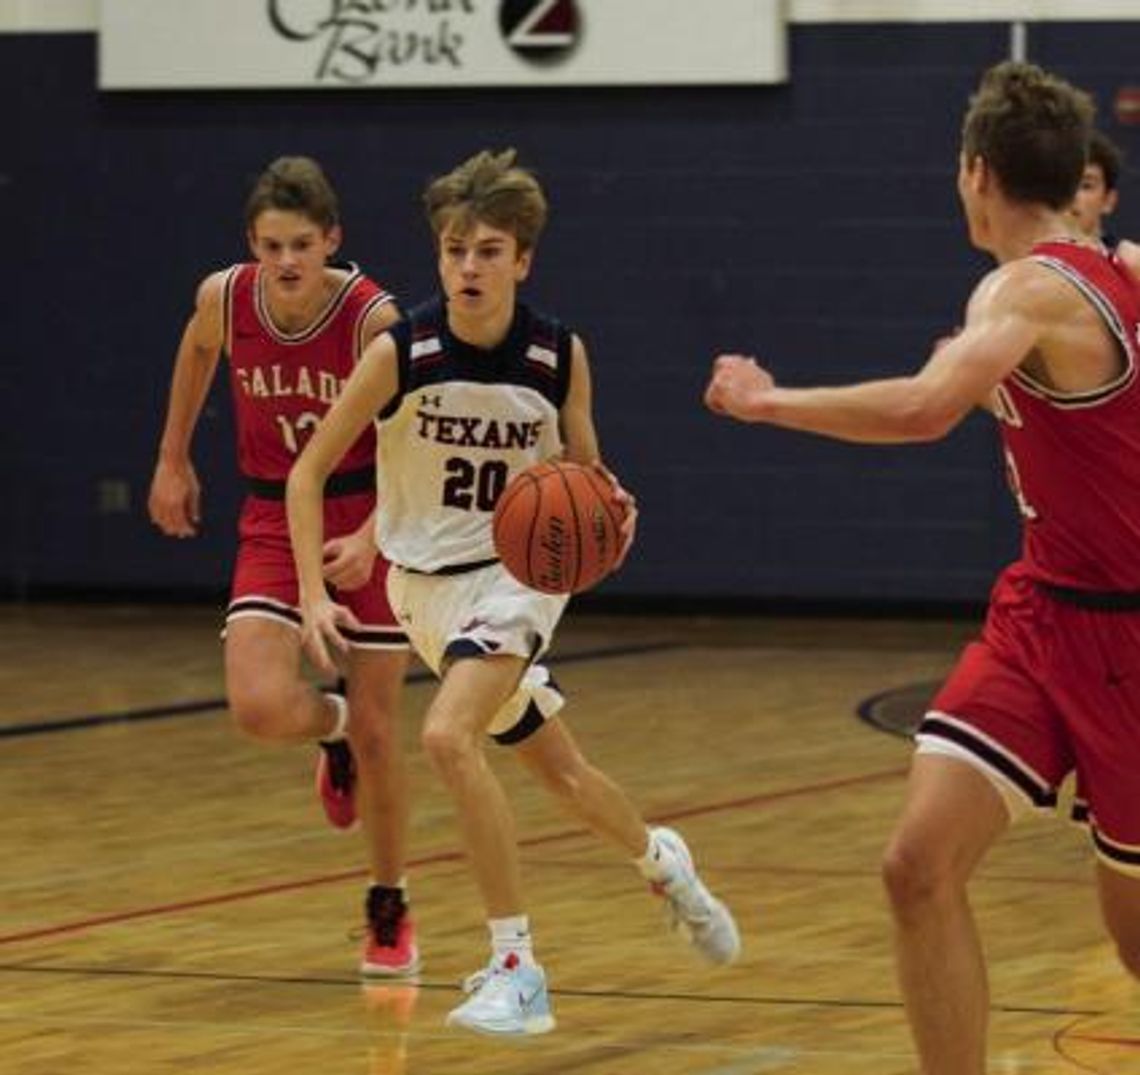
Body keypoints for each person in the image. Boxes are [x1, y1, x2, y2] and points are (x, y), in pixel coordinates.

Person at [705, 61, 1140, 1075]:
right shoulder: (1109, 274)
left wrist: (768, 402)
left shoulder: (1026, 287)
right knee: (916, 863)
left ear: (978, 172)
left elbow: (921, 408)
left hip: (1128, 636)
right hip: (1042, 616)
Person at [288, 148, 740, 1038]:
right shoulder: (400, 353)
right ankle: (666, 863)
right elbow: (309, 474)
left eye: (488, 250)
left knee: (447, 736)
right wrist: (314, 585)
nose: (468, 266)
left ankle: (517, 967)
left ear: (522, 259)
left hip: (518, 581)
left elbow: (584, 471)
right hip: (422, 593)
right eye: (455, 249)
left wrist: (611, 505)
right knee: (563, 773)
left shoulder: (555, 355)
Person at [147, 156, 417, 977]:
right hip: (272, 512)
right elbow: (197, 354)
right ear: (251, 244)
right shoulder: (225, 298)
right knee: (260, 706)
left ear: (333, 239)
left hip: (369, 511)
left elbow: (419, 436)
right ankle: (326, 731)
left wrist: (375, 530)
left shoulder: (375, 320)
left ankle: (388, 901)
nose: (288, 260)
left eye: (302, 243)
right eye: (271, 245)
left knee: (383, 731)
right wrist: (172, 457)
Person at [1069, 127, 1125, 249]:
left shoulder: (1131, 263)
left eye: (1086, 186)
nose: (1071, 195)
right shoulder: (1022, 263)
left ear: (1108, 200)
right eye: (1062, 184)